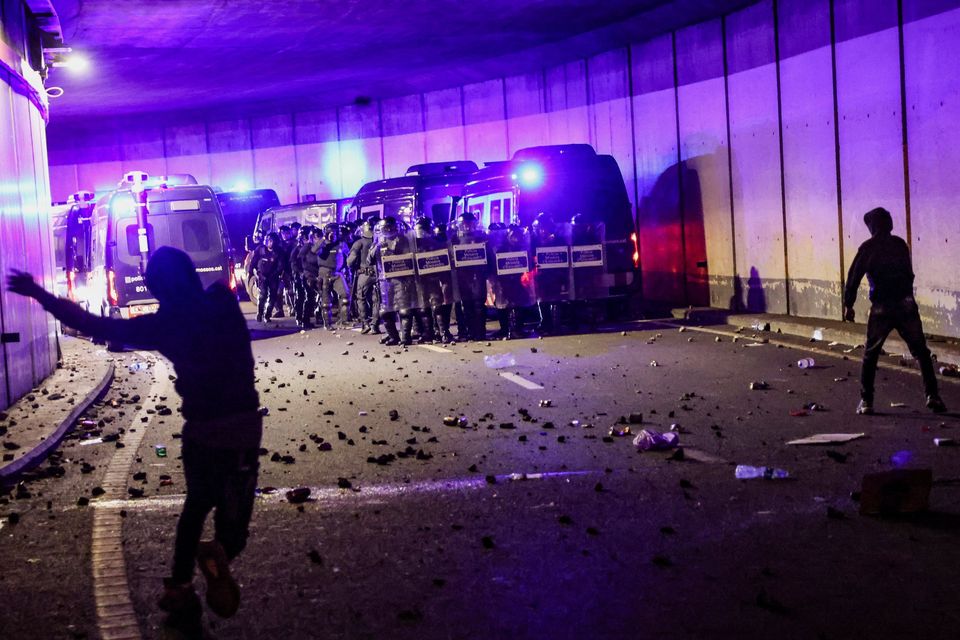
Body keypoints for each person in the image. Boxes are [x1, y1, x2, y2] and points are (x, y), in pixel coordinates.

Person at [7, 247, 262, 630]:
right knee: (235, 521)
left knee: (195, 507)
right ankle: (220, 551)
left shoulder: (165, 325)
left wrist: (39, 293)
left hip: (201, 431)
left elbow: (94, 324)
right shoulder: (222, 302)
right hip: (241, 425)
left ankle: (179, 590)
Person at [844, 207, 947, 415]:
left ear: (872, 226)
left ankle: (867, 401)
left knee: (871, 354)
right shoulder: (900, 245)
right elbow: (909, 274)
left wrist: (849, 304)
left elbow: (853, 277)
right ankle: (933, 395)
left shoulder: (868, 248)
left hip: (882, 306)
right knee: (921, 352)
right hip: (906, 304)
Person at [347, 216, 381, 334]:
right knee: (377, 300)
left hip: (364, 274)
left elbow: (350, 262)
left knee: (361, 298)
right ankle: (375, 325)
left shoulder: (359, 242)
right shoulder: (381, 241)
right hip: (379, 274)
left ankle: (365, 323)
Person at [316, 223, 350, 330]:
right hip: (324, 273)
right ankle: (327, 323)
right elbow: (314, 250)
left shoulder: (341, 244)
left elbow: (348, 257)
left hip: (337, 273)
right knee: (326, 302)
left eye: (335, 233)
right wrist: (324, 239)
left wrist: (347, 270)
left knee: (345, 296)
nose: (333, 235)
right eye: (331, 233)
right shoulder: (323, 244)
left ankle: (343, 320)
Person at [250, 232, 283, 323]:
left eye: (271, 241)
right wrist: (253, 273)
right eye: (267, 240)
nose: (269, 242)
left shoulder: (279, 251)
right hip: (262, 276)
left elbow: (280, 265)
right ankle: (260, 313)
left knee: (272, 296)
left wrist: (275, 274)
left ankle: (267, 315)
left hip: (273, 277)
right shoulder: (260, 249)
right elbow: (253, 262)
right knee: (263, 295)